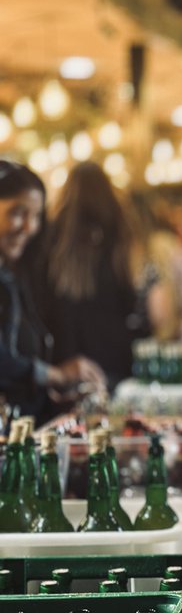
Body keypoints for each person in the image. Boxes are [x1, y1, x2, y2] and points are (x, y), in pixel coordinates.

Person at [0, 159, 105, 423]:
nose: (30, 228)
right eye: (17, 212)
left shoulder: (12, 275)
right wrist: (56, 375)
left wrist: (51, 397)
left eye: (36, 216)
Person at [41, 161, 145, 390]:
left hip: (68, 357)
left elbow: (48, 303)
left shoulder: (54, 235)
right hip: (116, 355)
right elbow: (130, 298)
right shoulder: (120, 232)